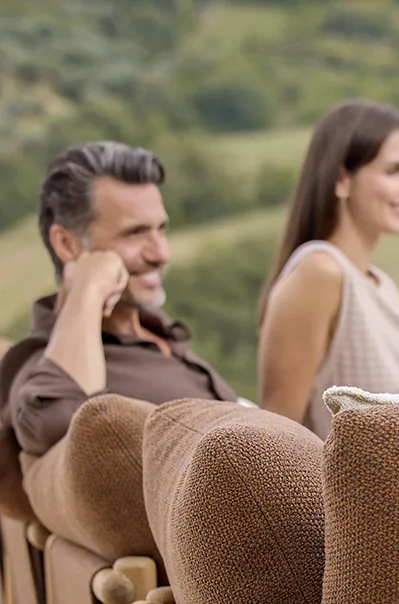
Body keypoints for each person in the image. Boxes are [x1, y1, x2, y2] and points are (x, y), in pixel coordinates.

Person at [0, 141, 237, 458]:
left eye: (161, 230)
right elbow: (55, 422)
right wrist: (88, 287)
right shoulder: (40, 365)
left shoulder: (158, 333)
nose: (161, 254)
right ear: (66, 244)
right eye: (135, 233)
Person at [258, 99, 399, 439]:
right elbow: (276, 439)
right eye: (395, 171)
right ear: (341, 179)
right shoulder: (320, 274)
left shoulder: (382, 287)